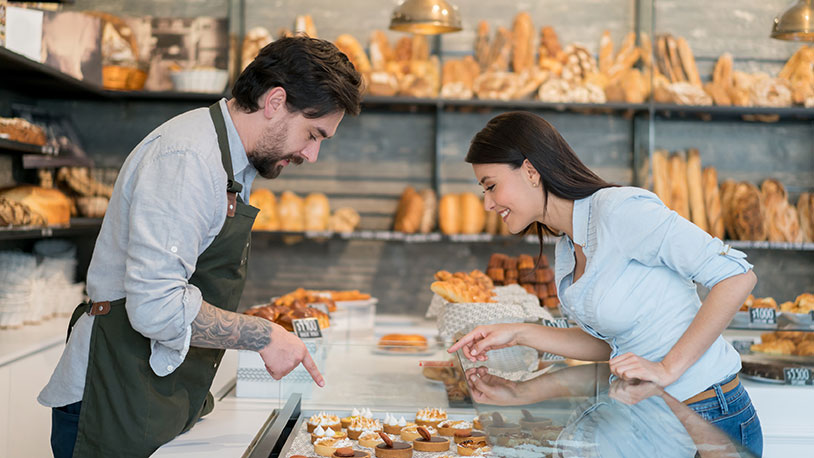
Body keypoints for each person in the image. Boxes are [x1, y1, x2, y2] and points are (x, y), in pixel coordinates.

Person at [38, 36, 363, 458]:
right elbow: (157, 306)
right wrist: (264, 335)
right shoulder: (188, 159)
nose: (312, 154)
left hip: (154, 392)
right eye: (312, 134)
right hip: (111, 396)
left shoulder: (233, 161)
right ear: (275, 102)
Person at [448, 111, 762, 456]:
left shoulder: (619, 211)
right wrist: (517, 334)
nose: (488, 203)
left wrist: (667, 367)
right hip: (651, 420)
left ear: (530, 170)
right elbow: (613, 345)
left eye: (491, 186)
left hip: (708, 416)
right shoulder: (567, 246)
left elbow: (736, 275)